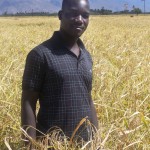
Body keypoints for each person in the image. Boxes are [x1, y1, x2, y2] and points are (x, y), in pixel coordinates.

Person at [21, 0, 98, 145]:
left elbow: (88, 99)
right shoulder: (40, 54)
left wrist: (96, 139)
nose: (80, 20)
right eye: (74, 14)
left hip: (84, 144)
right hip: (52, 143)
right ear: (60, 15)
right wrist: (30, 144)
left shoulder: (86, 56)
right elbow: (28, 102)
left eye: (85, 15)